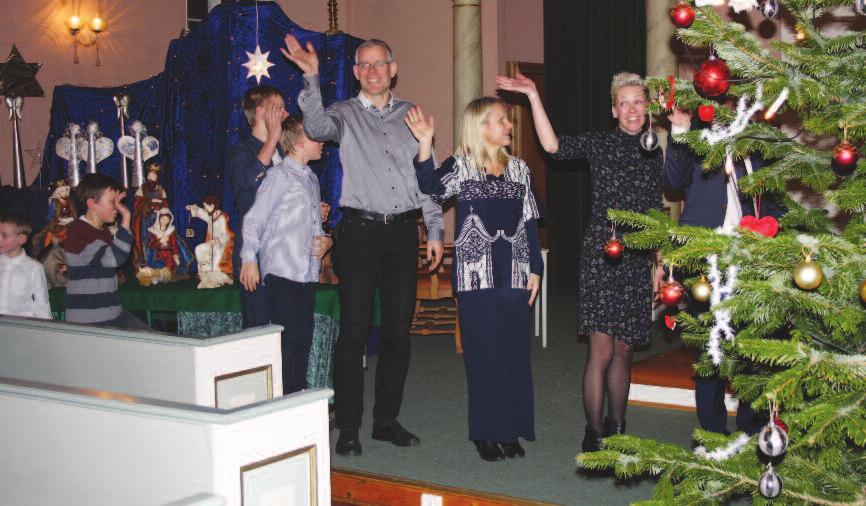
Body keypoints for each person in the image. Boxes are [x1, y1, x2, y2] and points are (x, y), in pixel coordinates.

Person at [283, 34, 444, 456]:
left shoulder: (413, 116)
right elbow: (315, 127)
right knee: (353, 334)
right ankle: (349, 427)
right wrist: (312, 77)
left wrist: (435, 231)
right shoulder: (342, 113)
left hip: (401, 236)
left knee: (398, 335)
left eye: (380, 64)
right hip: (357, 234)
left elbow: (426, 181)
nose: (372, 71)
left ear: (393, 69)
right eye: (364, 65)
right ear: (356, 73)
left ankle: (385, 421)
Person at [497, 72, 664, 452]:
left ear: (647, 106)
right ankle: (594, 433)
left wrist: (659, 263)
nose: (632, 109)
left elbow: (657, 210)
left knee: (625, 349)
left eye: (638, 101)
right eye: (624, 102)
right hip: (602, 256)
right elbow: (553, 146)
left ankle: (618, 426)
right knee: (602, 350)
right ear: (614, 110)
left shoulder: (655, 151)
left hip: (639, 257)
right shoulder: (601, 144)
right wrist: (533, 96)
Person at [406, 97, 543, 461]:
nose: (509, 126)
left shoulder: (520, 169)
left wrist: (536, 269)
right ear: (482, 127)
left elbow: (529, 222)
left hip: (514, 273)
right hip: (474, 276)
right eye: (502, 120)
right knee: (483, 356)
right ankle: (485, 432)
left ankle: (510, 429)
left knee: (514, 353)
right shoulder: (461, 166)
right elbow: (431, 187)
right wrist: (424, 144)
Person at [664, 107, 782, 435]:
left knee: (749, 344)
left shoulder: (756, 147)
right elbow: (673, 181)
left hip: (749, 256)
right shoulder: (696, 140)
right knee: (710, 346)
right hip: (705, 256)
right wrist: (679, 133)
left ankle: (750, 425)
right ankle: (713, 430)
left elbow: (773, 201)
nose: (725, 110)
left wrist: (775, 225)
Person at [240, 115, 333, 394]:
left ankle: (296, 395)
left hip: (305, 273)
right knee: (287, 340)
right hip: (282, 271)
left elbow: (308, 223)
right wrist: (249, 259)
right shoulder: (279, 176)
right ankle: (283, 400)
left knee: (302, 338)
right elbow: (254, 219)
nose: (323, 143)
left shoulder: (310, 178)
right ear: (300, 141)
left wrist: (324, 241)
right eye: (317, 137)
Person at [228, 85, 288, 327]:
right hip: (257, 254)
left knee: (285, 327)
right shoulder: (241, 151)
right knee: (259, 328)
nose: (285, 114)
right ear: (262, 111)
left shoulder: (284, 152)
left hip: (284, 254)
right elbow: (248, 183)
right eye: (280, 108)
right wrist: (273, 137)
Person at [64, 173, 149, 329]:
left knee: (152, 341)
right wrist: (126, 216)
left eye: (118, 202)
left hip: (112, 314)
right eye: (112, 202)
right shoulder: (79, 232)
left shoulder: (101, 231)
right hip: (89, 320)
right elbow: (114, 258)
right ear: (92, 203)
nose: (117, 207)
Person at [0, 212, 51, 319]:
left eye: (4, 235)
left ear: (21, 239)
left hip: (20, 329)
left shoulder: (34, 268)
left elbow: (42, 305)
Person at [187, 196, 234, 289]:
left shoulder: (221, 218)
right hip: (212, 244)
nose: (205, 208)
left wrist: (216, 241)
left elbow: (225, 235)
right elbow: (202, 213)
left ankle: (216, 279)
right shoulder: (211, 216)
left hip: (221, 246)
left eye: (206, 206)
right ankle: (204, 273)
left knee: (216, 266)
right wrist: (194, 208)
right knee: (199, 249)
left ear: (212, 205)